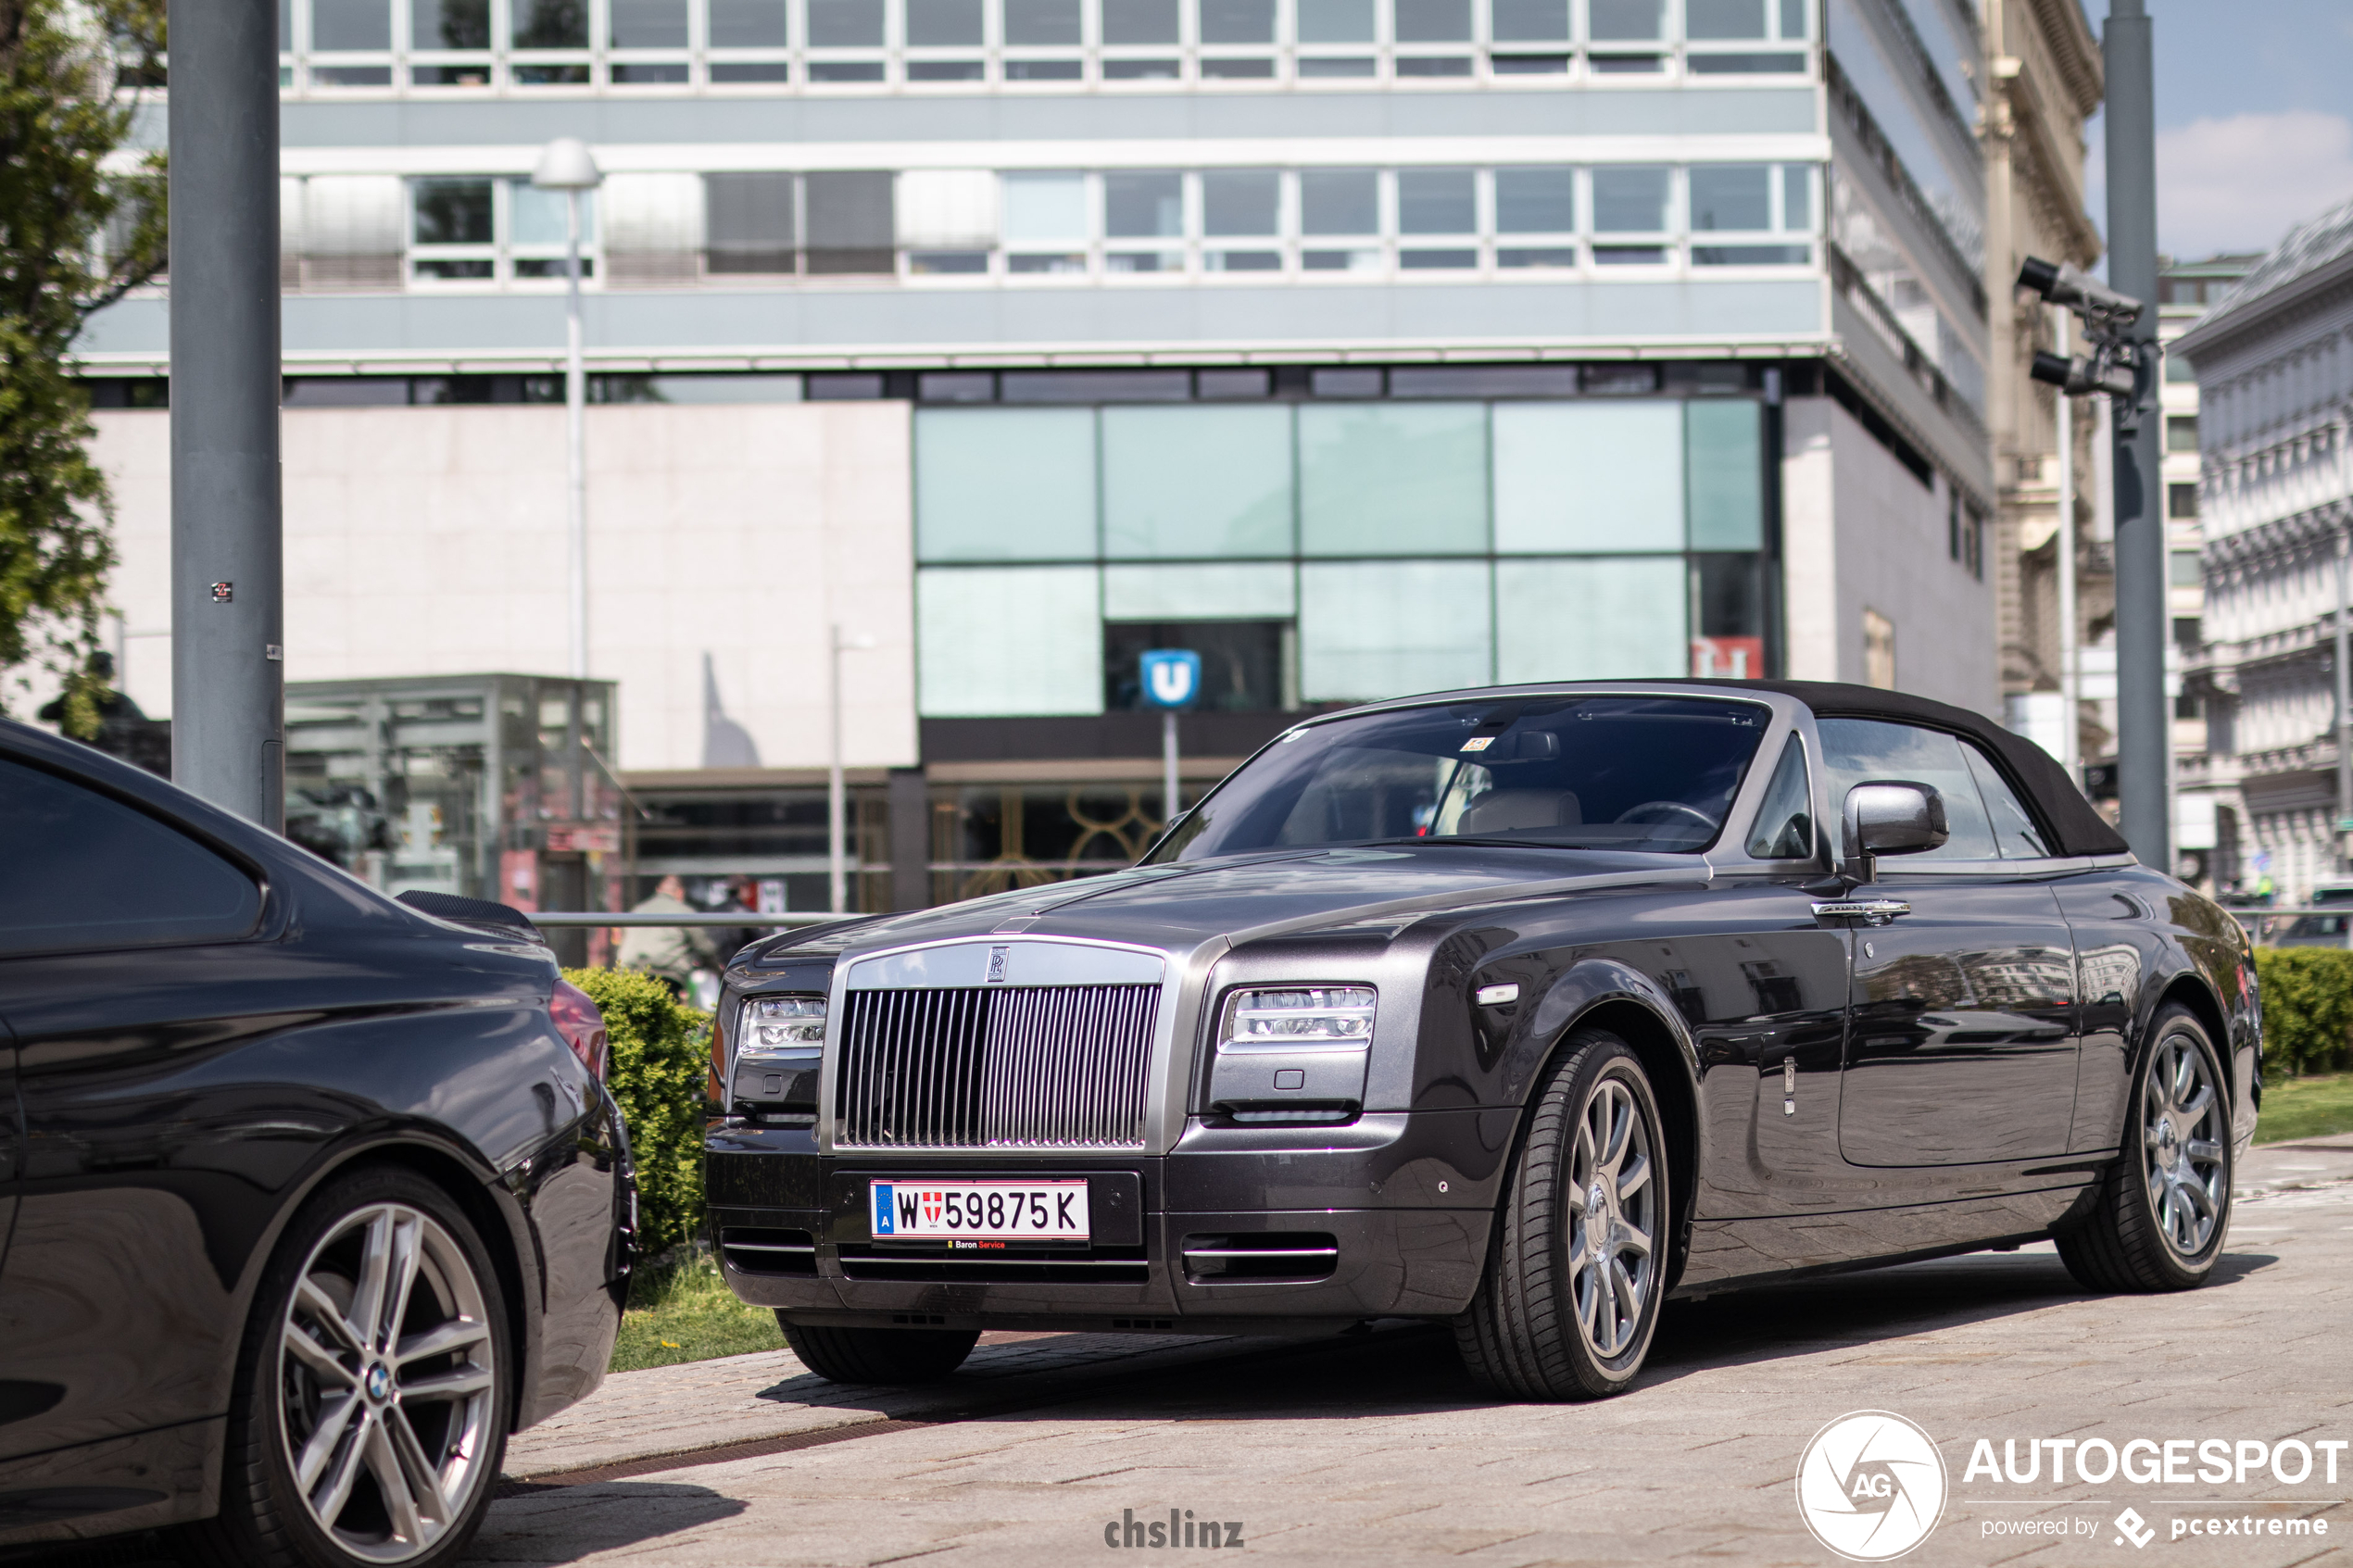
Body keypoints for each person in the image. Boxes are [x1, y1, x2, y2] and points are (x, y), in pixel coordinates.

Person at [615, 874, 719, 997]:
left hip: (630, 974)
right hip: (666, 975)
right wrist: (717, 968)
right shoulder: (684, 911)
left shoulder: (637, 910)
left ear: (658, 890)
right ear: (680, 893)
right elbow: (705, 947)